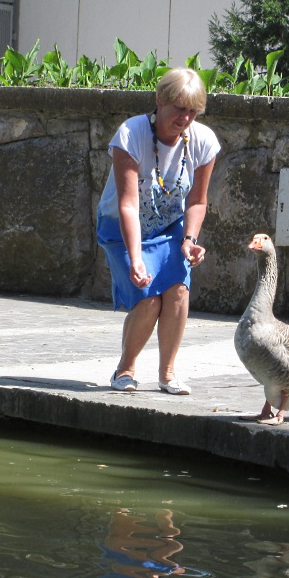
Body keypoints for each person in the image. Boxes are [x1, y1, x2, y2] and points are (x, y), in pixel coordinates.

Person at [96, 68, 221, 394]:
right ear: (159, 101)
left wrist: (190, 240)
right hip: (122, 226)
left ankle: (168, 374)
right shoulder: (131, 134)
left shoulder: (203, 141)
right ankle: (125, 370)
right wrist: (136, 258)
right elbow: (127, 203)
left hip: (169, 225)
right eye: (179, 108)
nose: (185, 118)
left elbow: (197, 200)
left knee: (178, 290)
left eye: (193, 111)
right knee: (149, 300)